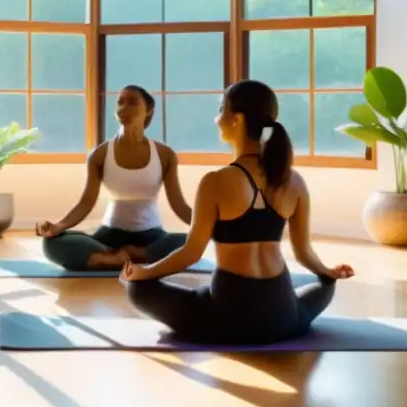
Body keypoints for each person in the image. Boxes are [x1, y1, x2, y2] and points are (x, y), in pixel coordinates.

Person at [120, 79, 354, 344]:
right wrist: (328, 272)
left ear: (237, 120)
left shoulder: (216, 181)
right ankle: (319, 289)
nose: (216, 119)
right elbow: (304, 253)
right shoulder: (294, 181)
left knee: (137, 289)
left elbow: (191, 253)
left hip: (226, 317)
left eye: (221, 110)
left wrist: (145, 272)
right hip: (282, 316)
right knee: (326, 284)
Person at [35, 85, 193, 270]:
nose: (122, 108)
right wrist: (57, 227)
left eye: (132, 102)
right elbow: (86, 202)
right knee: (52, 244)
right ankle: (114, 257)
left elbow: (178, 204)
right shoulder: (99, 155)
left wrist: (209, 228)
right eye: (120, 102)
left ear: (149, 110)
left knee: (190, 241)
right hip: (109, 237)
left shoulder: (165, 155)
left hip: (152, 236)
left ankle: (134, 255)